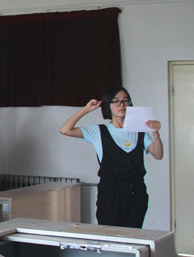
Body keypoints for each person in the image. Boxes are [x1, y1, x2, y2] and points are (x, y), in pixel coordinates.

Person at [60, 86, 163, 228]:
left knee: (134, 233)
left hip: (136, 190)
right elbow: (65, 130)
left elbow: (158, 154)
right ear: (108, 105)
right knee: (109, 232)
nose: (121, 105)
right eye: (116, 101)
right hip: (111, 192)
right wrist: (86, 109)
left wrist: (155, 132)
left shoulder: (139, 130)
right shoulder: (98, 131)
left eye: (125, 101)